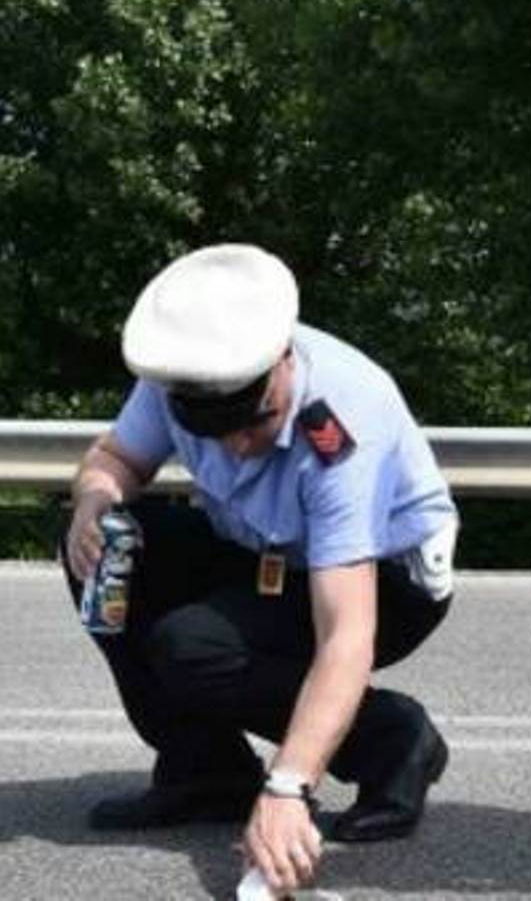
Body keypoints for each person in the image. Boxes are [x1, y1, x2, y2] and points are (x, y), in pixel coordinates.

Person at [63, 243, 459, 896]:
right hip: (265, 552)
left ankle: (390, 737)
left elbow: (346, 633)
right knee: (107, 552)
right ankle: (206, 768)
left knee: (191, 646)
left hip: (387, 581)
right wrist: (94, 502)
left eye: (254, 422)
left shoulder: (340, 425)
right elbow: (115, 459)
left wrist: (288, 786)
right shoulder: (181, 369)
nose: (238, 447)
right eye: (214, 432)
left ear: (282, 358)